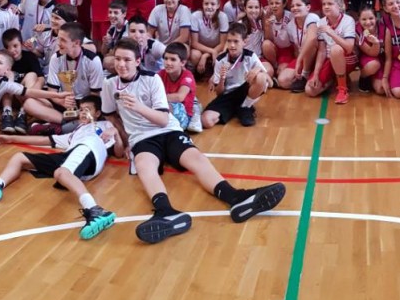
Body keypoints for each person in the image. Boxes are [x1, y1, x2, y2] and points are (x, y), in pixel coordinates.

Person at [103, 38, 286, 243]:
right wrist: (125, 139)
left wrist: (139, 107)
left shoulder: (152, 79)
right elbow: (110, 115)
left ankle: (236, 197)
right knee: (145, 167)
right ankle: (165, 212)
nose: (121, 64)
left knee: (196, 158)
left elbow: (163, 119)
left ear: (138, 61)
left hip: (168, 130)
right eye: (117, 59)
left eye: (127, 59)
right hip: (141, 138)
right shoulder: (109, 84)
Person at [0, 96, 118, 240]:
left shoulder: (104, 125)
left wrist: (114, 131)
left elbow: (118, 151)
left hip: (88, 149)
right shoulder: (74, 133)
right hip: (71, 154)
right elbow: (46, 140)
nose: (83, 113)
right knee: (20, 158)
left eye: (87, 110)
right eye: (81, 109)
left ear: (98, 113)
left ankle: (95, 209)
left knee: (61, 173)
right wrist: (11, 138)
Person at [201, 23, 269, 127]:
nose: (232, 45)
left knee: (261, 77)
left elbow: (269, 81)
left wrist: (257, 69)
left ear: (244, 41)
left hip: (244, 92)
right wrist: (222, 79)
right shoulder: (220, 60)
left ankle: (245, 107)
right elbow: (219, 93)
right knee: (206, 121)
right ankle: (237, 110)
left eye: (236, 41)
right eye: (229, 41)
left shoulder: (250, 56)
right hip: (227, 96)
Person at [305, 0, 356, 104]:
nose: (326, 6)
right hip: (329, 59)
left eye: (330, 4)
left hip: (347, 58)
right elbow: (322, 51)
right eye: (324, 4)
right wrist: (316, 74)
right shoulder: (321, 22)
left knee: (335, 49)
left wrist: (331, 32)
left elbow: (349, 48)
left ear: (340, 6)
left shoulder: (348, 20)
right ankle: (333, 80)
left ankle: (342, 89)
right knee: (310, 90)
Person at [275, 0, 320, 93]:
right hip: (304, 59)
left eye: (298, 5)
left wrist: (299, 60)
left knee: (307, 40)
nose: (295, 8)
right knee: (283, 81)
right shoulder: (290, 25)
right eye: (292, 6)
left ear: (308, 7)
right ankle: (306, 74)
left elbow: (312, 39)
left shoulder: (312, 17)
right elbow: (295, 49)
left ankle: (305, 75)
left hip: (318, 57)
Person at [159, 42, 201, 132]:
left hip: (184, 116)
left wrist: (157, 98)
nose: (168, 62)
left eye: (173, 59)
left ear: (182, 63)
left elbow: (179, 97)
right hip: (166, 111)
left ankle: (196, 111)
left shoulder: (187, 76)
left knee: (166, 106)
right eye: (166, 58)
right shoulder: (161, 73)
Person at [189, 0, 229, 79]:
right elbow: (194, 43)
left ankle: (217, 76)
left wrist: (206, 55)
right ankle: (196, 75)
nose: (209, 7)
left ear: (218, 5)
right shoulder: (195, 16)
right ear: (202, 4)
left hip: (217, 48)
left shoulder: (223, 17)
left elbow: (223, 43)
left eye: (213, 4)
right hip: (200, 48)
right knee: (194, 55)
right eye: (206, 4)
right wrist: (211, 51)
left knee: (223, 55)